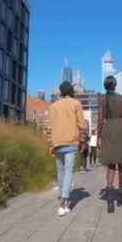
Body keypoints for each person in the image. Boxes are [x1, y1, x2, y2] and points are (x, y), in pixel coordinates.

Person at [45, 81, 87, 217]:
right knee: (68, 170)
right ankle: (63, 202)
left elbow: (49, 128)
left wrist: (51, 144)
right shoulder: (76, 104)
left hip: (57, 142)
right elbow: (81, 124)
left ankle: (62, 195)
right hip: (70, 141)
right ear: (71, 91)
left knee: (60, 170)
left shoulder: (53, 106)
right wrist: (83, 141)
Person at [98, 76, 122, 213]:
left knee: (110, 165)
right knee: (121, 163)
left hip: (108, 129)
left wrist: (99, 136)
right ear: (115, 85)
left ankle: (109, 196)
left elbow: (100, 119)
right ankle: (120, 193)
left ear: (105, 86)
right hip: (119, 129)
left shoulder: (101, 99)